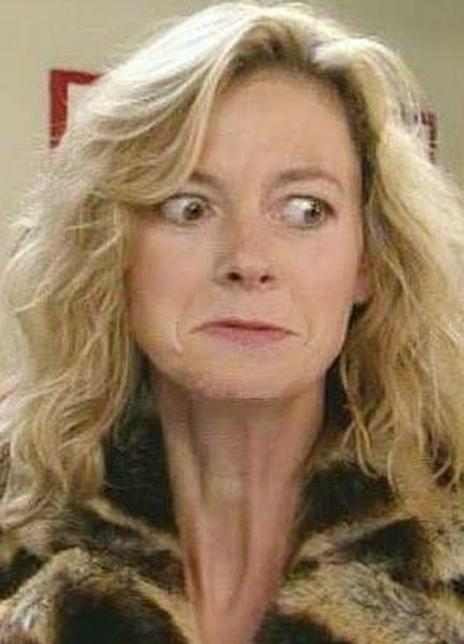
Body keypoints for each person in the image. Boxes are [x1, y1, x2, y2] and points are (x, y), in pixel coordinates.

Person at [1, 2, 464, 643]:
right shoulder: (17, 520)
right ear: (113, 250)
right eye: (189, 207)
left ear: (369, 262)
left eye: (305, 210)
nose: (248, 261)